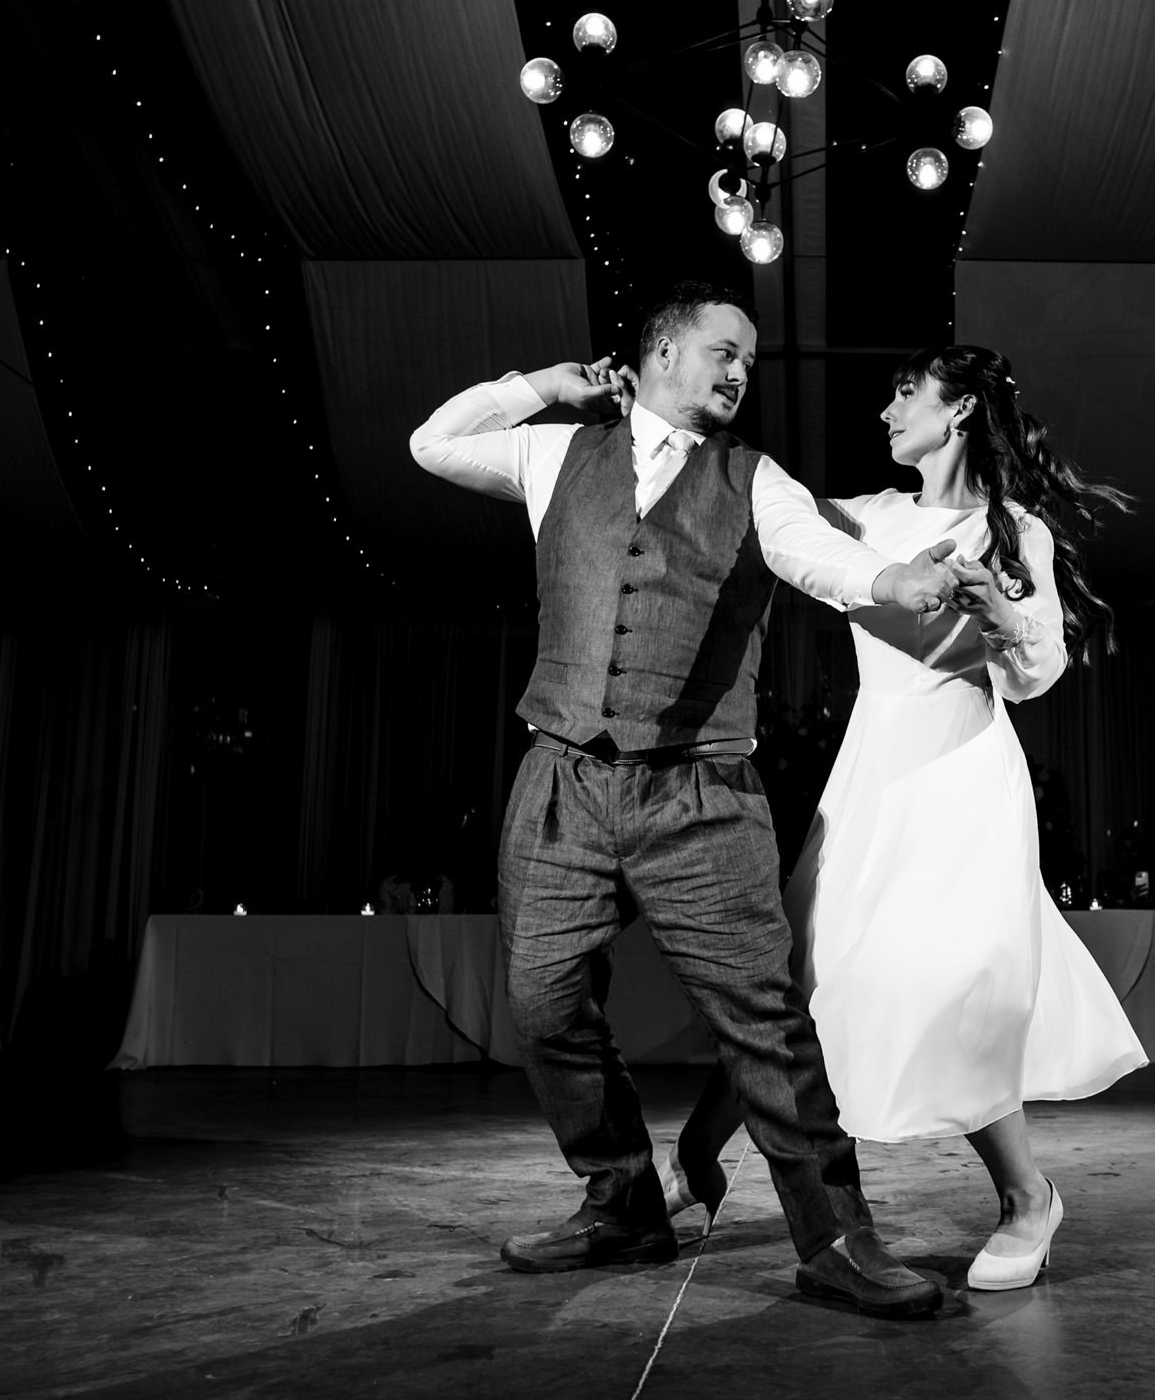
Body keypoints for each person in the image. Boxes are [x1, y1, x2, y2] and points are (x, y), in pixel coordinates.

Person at [408, 282, 960, 1318]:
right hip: (563, 779)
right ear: (661, 352)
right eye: (723, 350)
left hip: (701, 791)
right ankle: (622, 1199)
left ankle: (837, 1237)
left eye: (748, 358)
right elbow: (432, 442)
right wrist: (547, 384)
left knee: (763, 1022)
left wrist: (892, 584)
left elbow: (818, 556)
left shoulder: (754, 478)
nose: (741, 371)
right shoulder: (554, 455)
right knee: (542, 1001)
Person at [658, 344, 1148, 1293]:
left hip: (965, 771)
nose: (886, 413)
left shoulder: (1016, 531)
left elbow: (1036, 676)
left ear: (958, 410)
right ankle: (696, 1161)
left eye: (905, 394)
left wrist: (1000, 615)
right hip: (873, 771)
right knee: (802, 984)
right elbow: (767, 513)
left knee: (949, 979)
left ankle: (1029, 1199)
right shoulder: (865, 517)